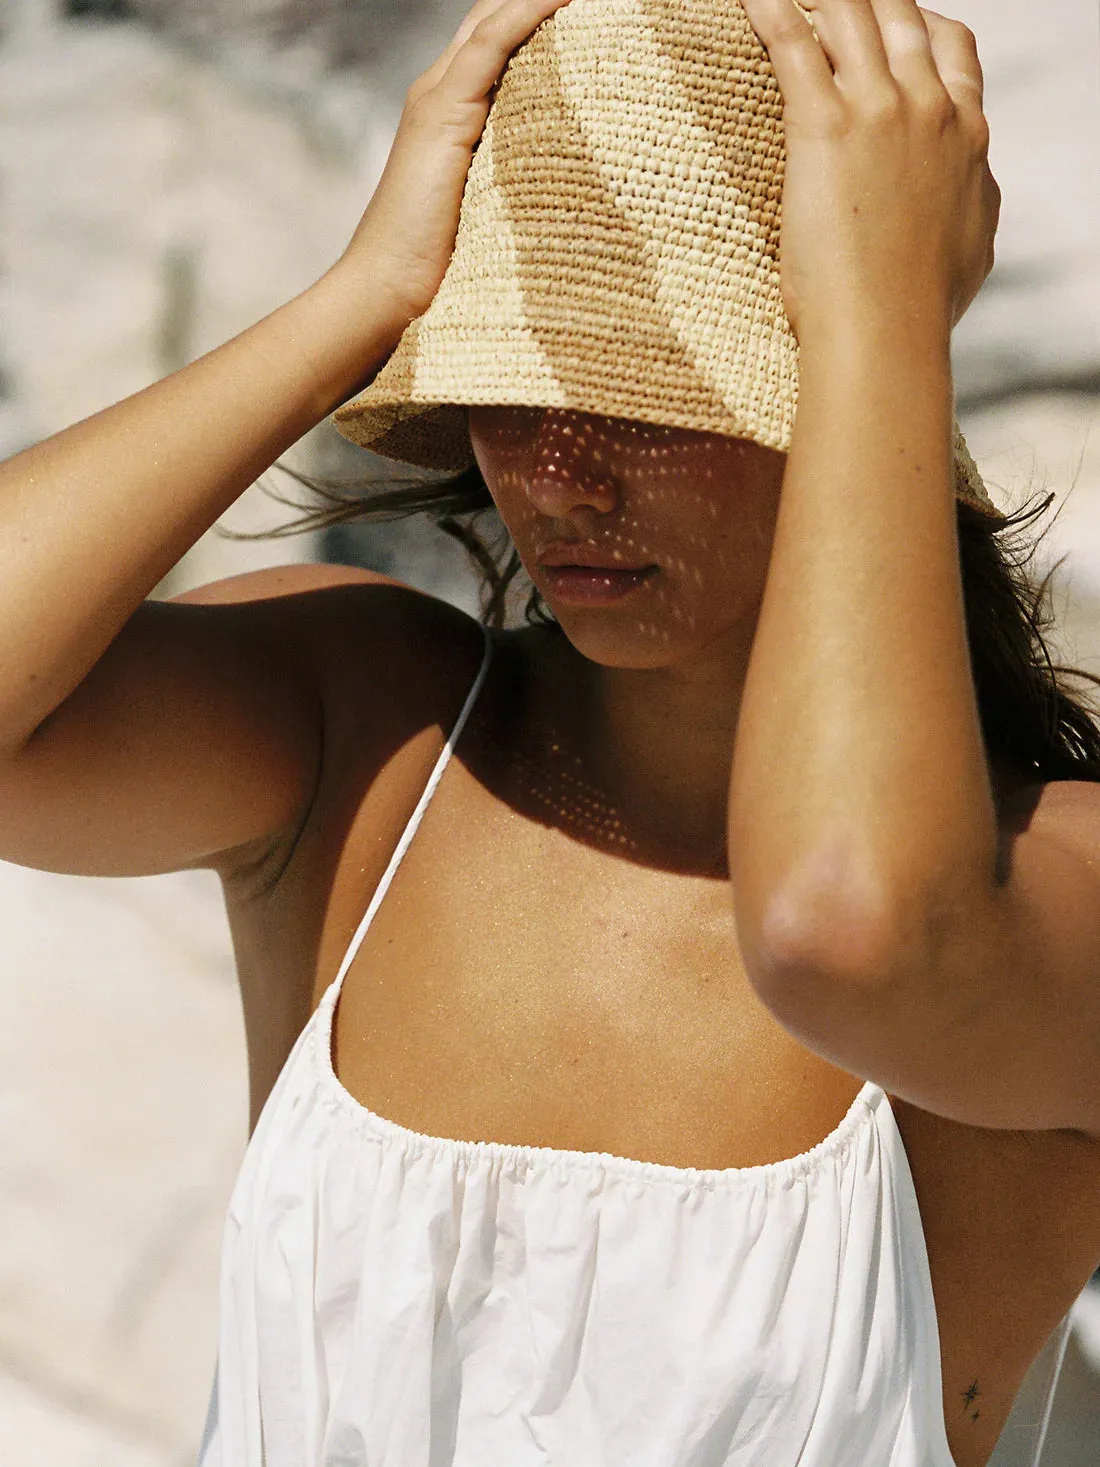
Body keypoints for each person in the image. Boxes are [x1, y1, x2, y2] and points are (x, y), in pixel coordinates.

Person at [1, 0, 1099, 1463]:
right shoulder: (371, 733)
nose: (560, 475)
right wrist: (364, 295)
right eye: (510, 382)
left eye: (645, 395)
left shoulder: (1046, 891)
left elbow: (847, 931)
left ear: (830, 379)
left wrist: (883, 312)